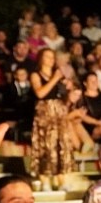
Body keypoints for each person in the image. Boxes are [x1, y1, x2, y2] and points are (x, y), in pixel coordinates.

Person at [28, 48, 75, 191]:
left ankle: (62, 179)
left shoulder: (59, 76)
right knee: (46, 146)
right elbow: (40, 93)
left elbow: (64, 97)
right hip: (45, 113)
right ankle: (45, 179)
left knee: (62, 145)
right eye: (47, 56)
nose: (50, 59)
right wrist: (55, 78)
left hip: (59, 113)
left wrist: (69, 91)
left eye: (52, 57)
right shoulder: (36, 75)